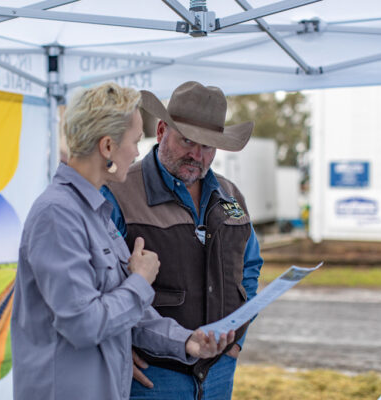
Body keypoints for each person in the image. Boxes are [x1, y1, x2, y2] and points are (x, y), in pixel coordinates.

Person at [10, 82, 236, 400]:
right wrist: (141, 281)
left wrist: (186, 342)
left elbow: (126, 314)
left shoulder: (94, 212)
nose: (137, 150)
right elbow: (84, 325)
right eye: (133, 140)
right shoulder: (57, 215)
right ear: (107, 147)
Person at [104, 81, 264, 399]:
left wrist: (235, 343)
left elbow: (250, 268)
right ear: (162, 130)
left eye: (208, 146)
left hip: (219, 372)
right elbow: (100, 286)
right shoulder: (117, 193)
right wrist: (116, 349)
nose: (196, 155)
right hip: (153, 376)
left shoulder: (231, 196)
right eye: (187, 140)